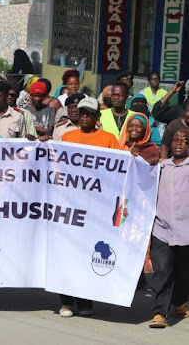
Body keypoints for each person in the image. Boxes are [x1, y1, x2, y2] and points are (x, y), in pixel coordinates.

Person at [58, 97, 119, 317]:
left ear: (97, 117)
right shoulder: (67, 137)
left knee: (88, 253)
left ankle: (85, 301)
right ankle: (66, 301)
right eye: (82, 112)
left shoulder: (109, 139)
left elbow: (118, 170)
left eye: (89, 113)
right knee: (67, 253)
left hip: (96, 209)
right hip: (69, 206)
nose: (85, 116)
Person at [148, 130, 189, 328]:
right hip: (161, 228)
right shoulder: (161, 166)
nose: (179, 143)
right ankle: (159, 313)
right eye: (175, 139)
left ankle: (179, 301)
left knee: (183, 272)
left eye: (184, 140)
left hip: (186, 230)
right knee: (162, 270)